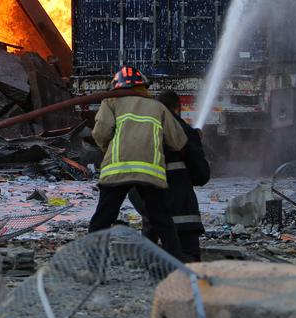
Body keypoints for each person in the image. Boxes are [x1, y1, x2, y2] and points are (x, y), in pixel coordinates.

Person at [88, 66, 188, 260]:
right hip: (150, 171)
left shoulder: (111, 102)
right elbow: (178, 141)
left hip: (118, 168)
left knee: (102, 219)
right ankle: (176, 266)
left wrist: (106, 148)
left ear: (116, 86)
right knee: (162, 220)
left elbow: (101, 132)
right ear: (144, 86)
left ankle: (93, 269)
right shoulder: (157, 107)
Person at [142, 90, 211, 261]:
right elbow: (201, 175)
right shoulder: (185, 132)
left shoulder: (144, 131)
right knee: (187, 258)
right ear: (177, 108)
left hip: (150, 204)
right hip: (182, 211)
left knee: (152, 257)